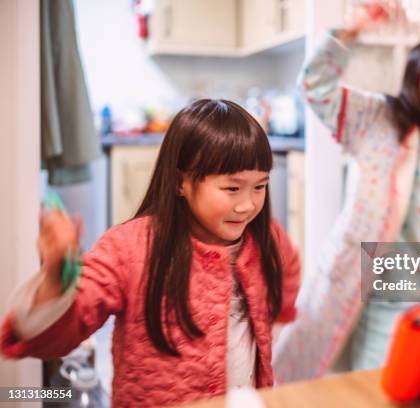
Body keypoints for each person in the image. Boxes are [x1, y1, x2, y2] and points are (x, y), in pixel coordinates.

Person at [1, 99, 301, 407]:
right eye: (233, 189)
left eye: (260, 186)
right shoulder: (130, 247)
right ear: (181, 182)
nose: (247, 205)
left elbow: (288, 281)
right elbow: (56, 333)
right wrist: (55, 277)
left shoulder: (268, 240)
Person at [272, 3, 420, 382]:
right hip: (378, 296)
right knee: (374, 388)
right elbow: (314, 86)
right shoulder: (378, 120)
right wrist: (353, 29)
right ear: (413, 77)